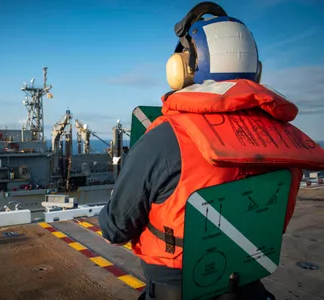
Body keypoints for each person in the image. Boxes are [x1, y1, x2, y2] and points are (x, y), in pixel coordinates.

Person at [98, 1, 324, 300]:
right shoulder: (285, 141)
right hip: (249, 281)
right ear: (256, 71)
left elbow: (115, 229)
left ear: (180, 70)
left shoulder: (166, 139)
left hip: (175, 287)